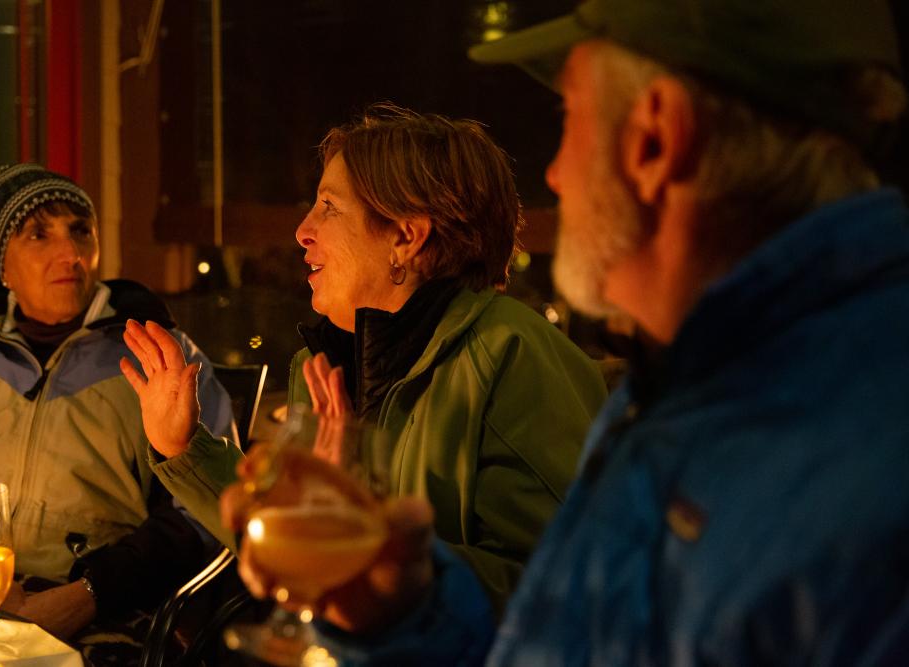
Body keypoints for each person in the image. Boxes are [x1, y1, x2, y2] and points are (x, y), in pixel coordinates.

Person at [219, 0, 909, 664]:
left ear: (654, 139)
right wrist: (403, 603)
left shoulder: (858, 460)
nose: (551, 173)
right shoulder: (692, 392)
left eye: (570, 113)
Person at [121, 103, 608, 611]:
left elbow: (564, 588)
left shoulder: (512, 356)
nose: (302, 230)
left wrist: (368, 550)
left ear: (405, 237)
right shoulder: (326, 365)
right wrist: (182, 448)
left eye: (329, 207)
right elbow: (298, 550)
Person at [0, 164, 237, 652]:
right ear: (4, 267)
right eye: (38, 234)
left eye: (81, 231)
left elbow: (204, 514)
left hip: (99, 611)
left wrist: (89, 593)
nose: (70, 253)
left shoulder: (158, 355)